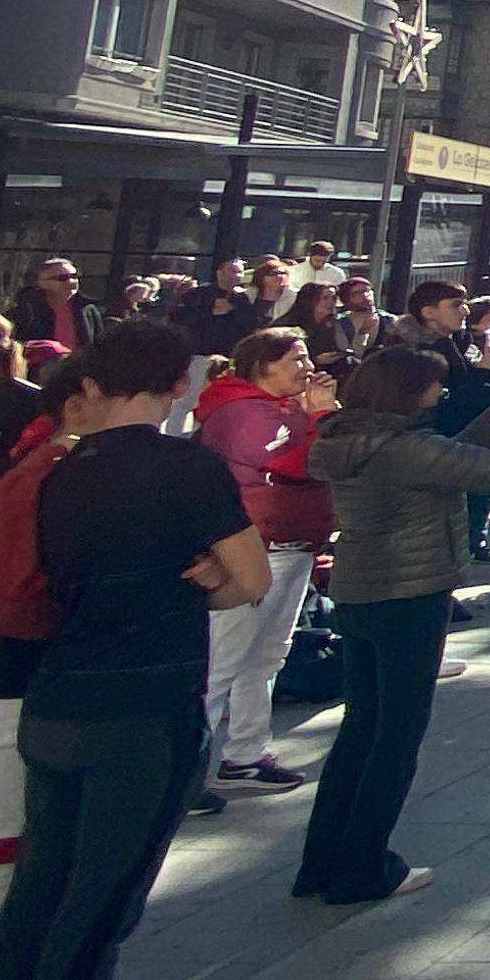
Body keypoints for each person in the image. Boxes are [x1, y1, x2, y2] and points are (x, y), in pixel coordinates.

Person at [0, 322, 269, 980]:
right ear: (176, 386)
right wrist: (208, 580)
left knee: (39, 887)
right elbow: (250, 581)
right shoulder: (183, 467)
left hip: (55, 694)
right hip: (142, 705)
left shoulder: (54, 470)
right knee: (97, 906)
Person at [299, 341, 490, 906]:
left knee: (360, 729)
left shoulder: (352, 439)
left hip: (359, 590)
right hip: (410, 592)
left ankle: (321, 862)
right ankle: (364, 867)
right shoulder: (404, 449)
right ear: (407, 392)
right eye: (433, 385)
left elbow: (450, 456)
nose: (441, 393)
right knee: (396, 735)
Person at [189, 327, 334, 800]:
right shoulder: (240, 412)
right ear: (263, 365)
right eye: (297, 357)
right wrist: (318, 420)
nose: (307, 366)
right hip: (255, 547)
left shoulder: (284, 409)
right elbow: (298, 463)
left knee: (266, 656)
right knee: (222, 663)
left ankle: (246, 753)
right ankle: (186, 775)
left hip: (292, 545)